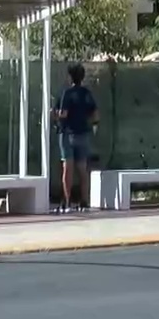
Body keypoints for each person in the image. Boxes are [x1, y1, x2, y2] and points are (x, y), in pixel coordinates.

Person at [54, 63, 98, 212]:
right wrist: (90, 124)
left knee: (68, 167)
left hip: (67, 133)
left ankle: (67, 201)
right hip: (83, 133)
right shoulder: (86, 93)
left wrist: (53, 114)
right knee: (82, 169)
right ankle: (84, 200)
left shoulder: (67, 93)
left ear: (69, 77)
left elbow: (63, 114)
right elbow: (95, 114)